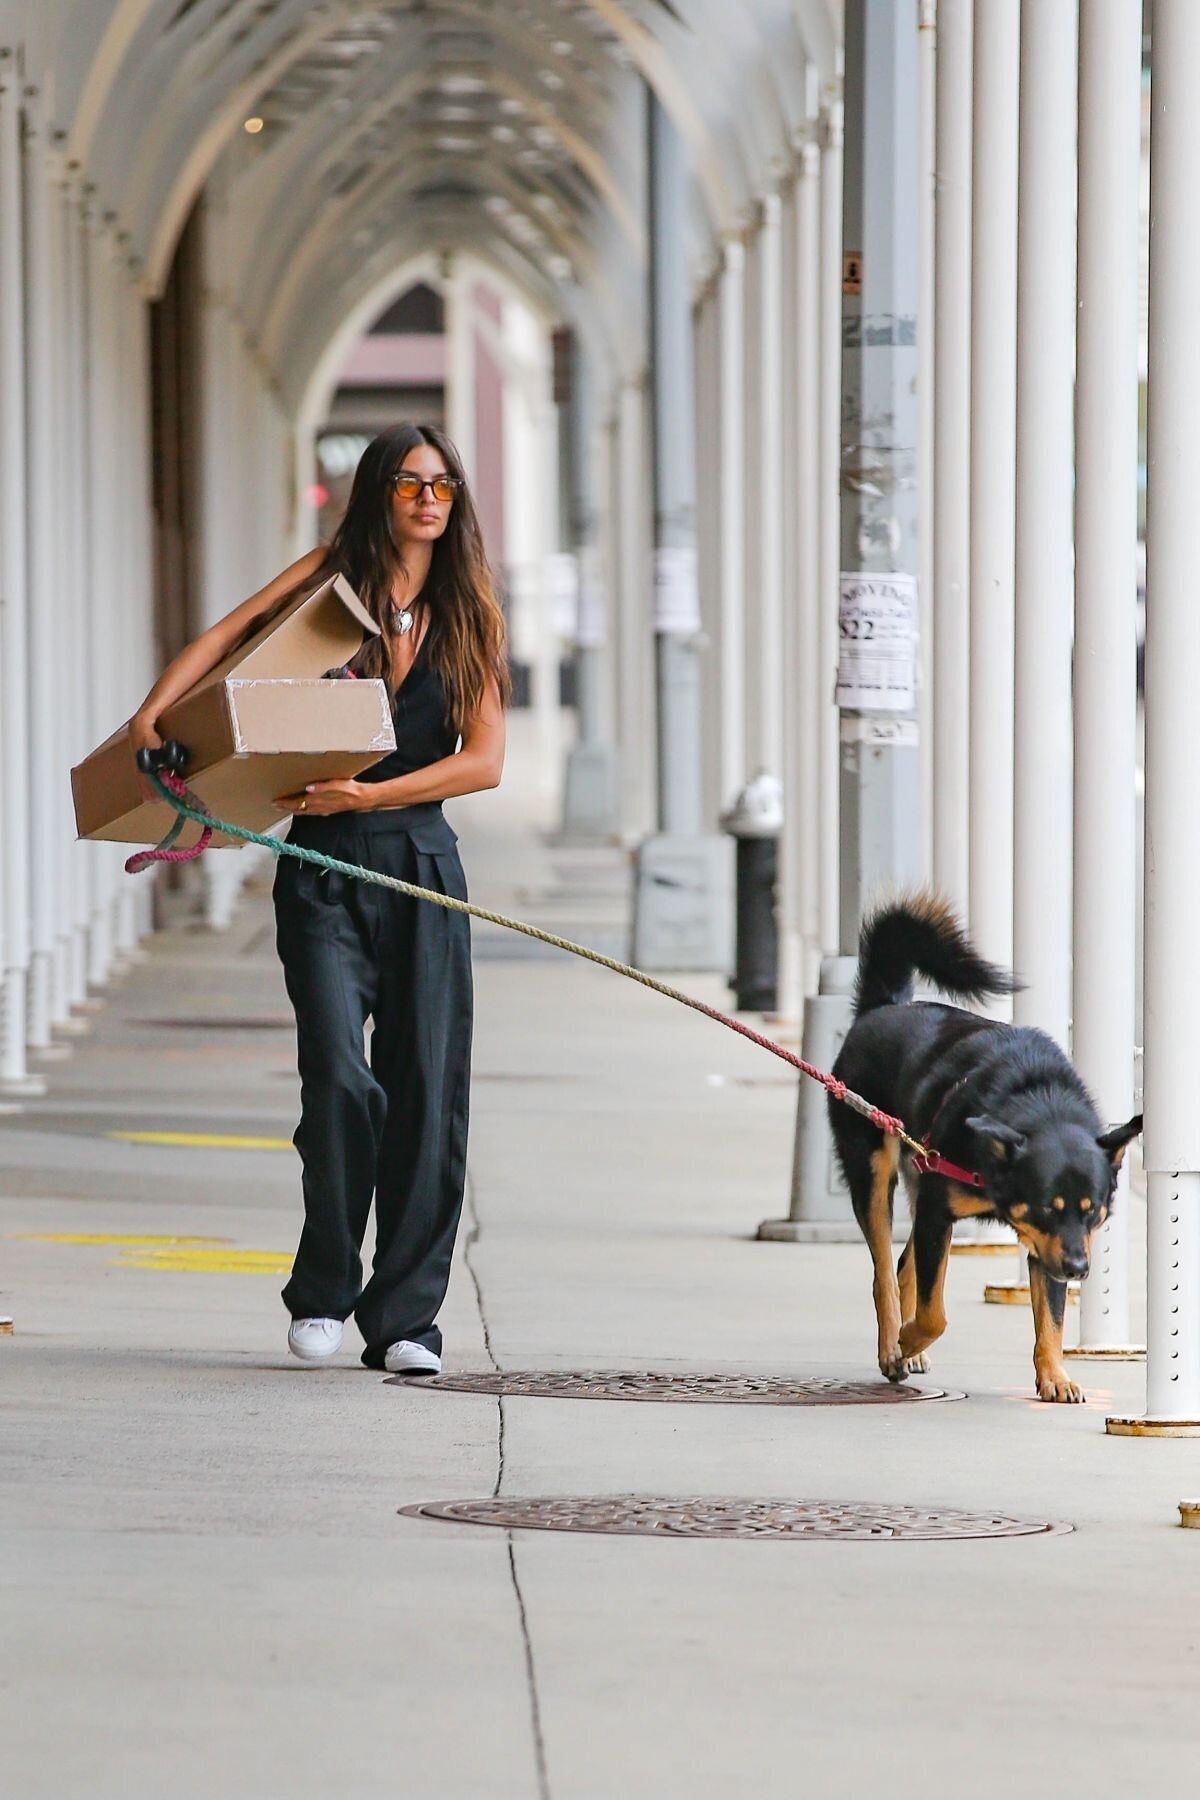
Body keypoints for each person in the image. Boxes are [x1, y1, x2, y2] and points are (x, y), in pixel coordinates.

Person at [129, 423, 508, 1373]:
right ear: (378, 492)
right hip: (321, 867)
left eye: (443, 485)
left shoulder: (471, 610)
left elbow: (484, 761)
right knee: (338, 1076)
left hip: (419, 865)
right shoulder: (331, 580)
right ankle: (325, 1289)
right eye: (409, 483)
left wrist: (372, 795)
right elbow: (227, 638)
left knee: (428, 1089)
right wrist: (152, 713)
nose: (428, 500)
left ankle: (408, 1321)